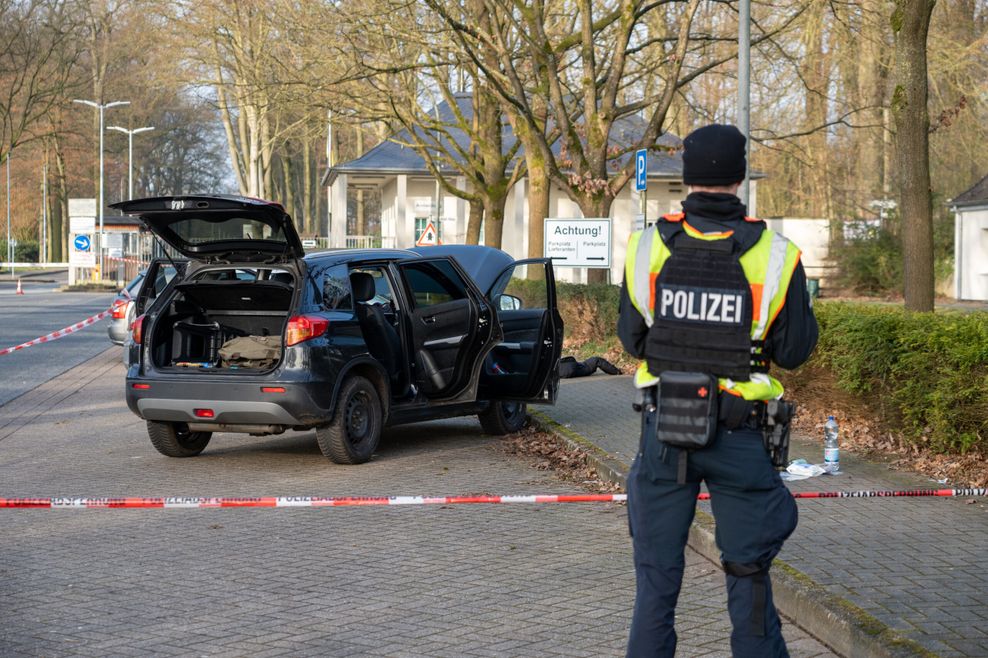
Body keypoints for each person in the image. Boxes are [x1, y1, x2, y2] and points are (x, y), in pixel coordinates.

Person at [618, 124, 818, 657]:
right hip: (741, 435)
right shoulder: (778, 255)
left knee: (656, 579)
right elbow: (796, 350)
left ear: (687, 176)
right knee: (748, 573)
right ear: (740, 176)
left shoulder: (645, 247)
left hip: (665, 432)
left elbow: (634, 340)